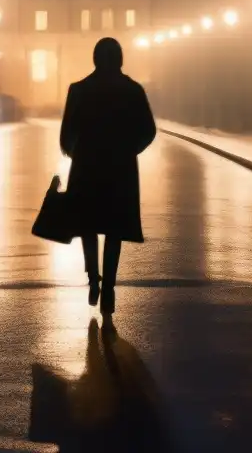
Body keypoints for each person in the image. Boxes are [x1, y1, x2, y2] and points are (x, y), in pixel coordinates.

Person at [57, 36, 156, 315]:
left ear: (95, 59)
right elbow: (148, 130)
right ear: (120, 59)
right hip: (120, 170)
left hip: (87, 168)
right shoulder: (133, 90)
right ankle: (109, 288)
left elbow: (66, 134)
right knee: (114, 229)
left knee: (88, 225)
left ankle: (93, 279)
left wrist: (77, 153)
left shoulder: (79, 90)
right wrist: (130, 149)